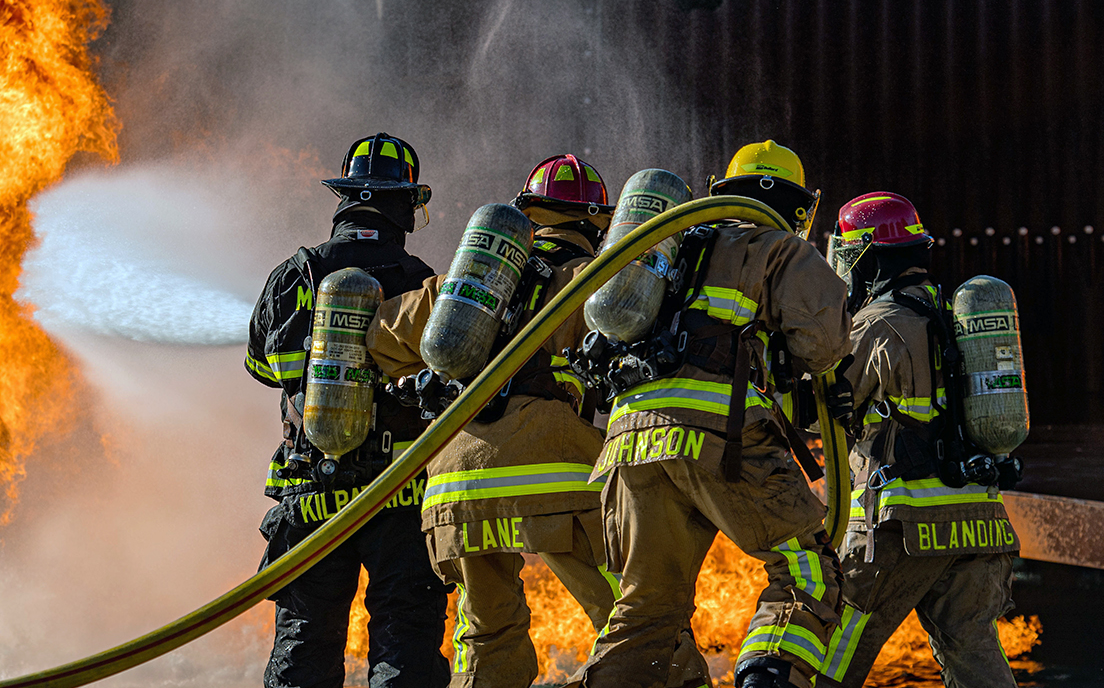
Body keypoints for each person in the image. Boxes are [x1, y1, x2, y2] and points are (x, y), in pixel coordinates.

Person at [367, 155, 708, 688]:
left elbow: (379, 340)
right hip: (555, 473)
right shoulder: (594, 285)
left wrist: (428, 381)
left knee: (485, 643)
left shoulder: (460, 291)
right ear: (601, 223)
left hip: (455, 487)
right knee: (638, 623)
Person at [570, 141, 850, 688]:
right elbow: (823, 343)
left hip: (629, 443)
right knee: (807, 574)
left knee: (646, 610)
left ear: (722, 191)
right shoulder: (778, 248)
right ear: (800, 206)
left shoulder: (668, 246)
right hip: (720, 433)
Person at [246, 133, 450, 688]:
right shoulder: (420, 281)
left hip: (311, 487)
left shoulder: (296, 273)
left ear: (345, 198)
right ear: (406, 203)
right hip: (399, 490)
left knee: (305, 638)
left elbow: (265, 369)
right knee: (405, 637)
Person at [816, 192, 1021, 688]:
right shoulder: (955, 313)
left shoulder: (873, 326)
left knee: (836, 640)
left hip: (904, 525)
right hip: (980, 521)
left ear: (866, 257)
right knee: (972, 649)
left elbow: (816, 416)